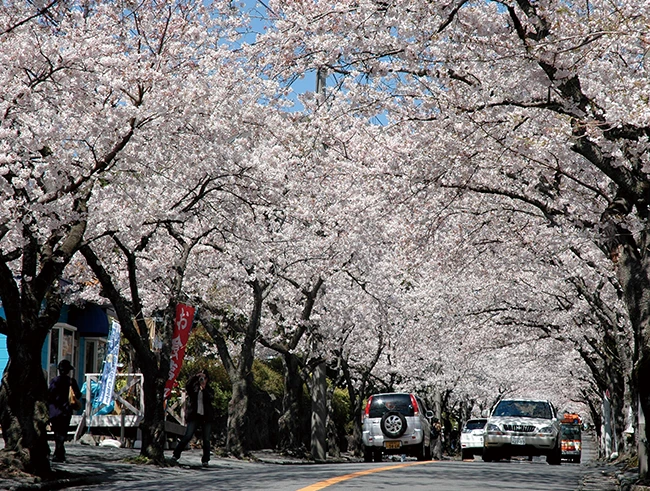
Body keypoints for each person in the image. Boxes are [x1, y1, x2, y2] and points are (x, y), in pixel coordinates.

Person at [172, 371, 214, 467]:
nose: (203, 380)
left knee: (206, 439)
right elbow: (188, 385)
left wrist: (204, 389)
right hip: (194, 416)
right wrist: (195, 377)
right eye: (201, 378)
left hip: (206, 417)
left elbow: (211, 398)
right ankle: (176, 455)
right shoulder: (194, 388)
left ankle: (205, 460)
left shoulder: (209, 390)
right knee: (188, 435)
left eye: (204, 378)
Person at [47, 359, 81, 462]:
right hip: (65, 411)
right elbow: (78, 395)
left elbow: (49, 395)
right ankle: (59, 453)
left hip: (54, 411)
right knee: (62, 433)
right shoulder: (71, 381)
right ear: (68, 371)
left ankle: (59, 453)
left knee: (57, 432)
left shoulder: (54, 381)